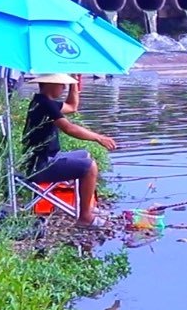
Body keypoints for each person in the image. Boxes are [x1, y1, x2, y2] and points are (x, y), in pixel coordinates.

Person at [21, 72, 117, 227]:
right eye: (62, 83)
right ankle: (85, 218)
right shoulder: (46, 104)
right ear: (50, 84)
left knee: (85, 155)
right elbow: (69, 128)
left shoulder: (41, 101)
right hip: (41, 165)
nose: (64, 87)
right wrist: (99, 137)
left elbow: (72, 107)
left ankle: (87, 206)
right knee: (90, 167)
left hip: (46, 158)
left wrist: (74, 83)